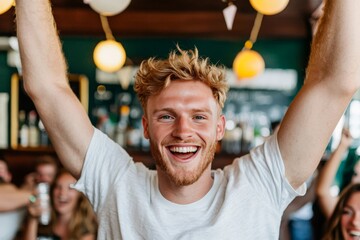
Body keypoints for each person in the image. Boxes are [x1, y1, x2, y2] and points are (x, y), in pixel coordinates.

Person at [15, 0, 360, 238]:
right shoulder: (117, 184)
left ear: (219, 127)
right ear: (147, 127)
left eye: (199, 116)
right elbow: (46, 87)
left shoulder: (258, 185)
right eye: (167, 116)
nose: (184, 131)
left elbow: (335, 83)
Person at [22, 169, 98, 240]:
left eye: (70, 188)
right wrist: (32, 219)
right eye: (58, 187)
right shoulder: (43, 223)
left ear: (80, 195)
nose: (62, 193)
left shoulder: (86, 231)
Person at [316, 129, 356, 219]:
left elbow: (322, 191)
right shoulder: (343, 209)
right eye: (355, 174)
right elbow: (323, 191)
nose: (355, 222)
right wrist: (342, 145)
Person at [0, 154, 32, 240]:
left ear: (9, 176)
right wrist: (31, 196)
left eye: (1, 172)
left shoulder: (24, 201)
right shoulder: (28, 196)